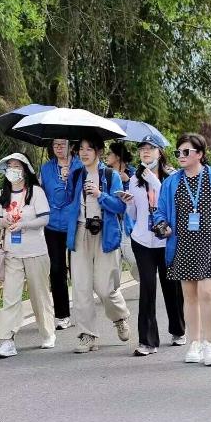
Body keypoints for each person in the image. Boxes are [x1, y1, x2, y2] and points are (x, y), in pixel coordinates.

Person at [153, 133, 211, 366]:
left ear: (200, 154)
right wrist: (162, 225)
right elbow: (160, 211)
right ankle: (194, 342)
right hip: (183, 243)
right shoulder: (171, 182)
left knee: (206, 292)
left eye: (186, 152)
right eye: (178, 152)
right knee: (190, 296)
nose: (181, 156)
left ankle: (209, 344)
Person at [63, 136, 132, 353]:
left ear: (99, 151)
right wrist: (66, 182)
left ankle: (119, 317)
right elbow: (66, 202)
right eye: (81, 149)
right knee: (81, 287)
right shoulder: (76, 175)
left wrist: (100, 194)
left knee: (105, 287)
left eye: (89, 149)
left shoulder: (111, 176)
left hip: (105, 233)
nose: (84, 153)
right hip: (80, 231)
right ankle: (87, 334)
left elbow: (120, 207)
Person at [126, 137, 186, 356]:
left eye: (150, 148)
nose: (145, 152)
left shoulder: (172, 176)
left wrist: (155, 182)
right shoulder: (135, 179)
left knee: (172, 286)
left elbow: (173, 205)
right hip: (142, 239)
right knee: (147, 288)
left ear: (159, 152)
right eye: (142, 149)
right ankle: (147, 341)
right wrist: (128, 203)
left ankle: (178, 330)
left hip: (166, 239)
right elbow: (134, 214)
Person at [0, 153, 56, 357]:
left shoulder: (36, 192)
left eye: (17, 166)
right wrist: (5, 222)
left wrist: (24, 224)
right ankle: (7, 340)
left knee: (39, 295)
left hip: (36, 251)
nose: (13, 170)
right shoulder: (2, 194)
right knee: (11, 297)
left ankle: (48, 333)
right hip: (12, 253)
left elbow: (44, 219)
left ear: (25, 170)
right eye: (9, 166)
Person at [39, 138, 82, 330]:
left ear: (71, 146)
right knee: (56, 270)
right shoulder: (46, 168)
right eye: (55, 144)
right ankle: (62, 314)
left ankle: (82, 311)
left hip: (75, 223)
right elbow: (41, 194)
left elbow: (81, 194)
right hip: (52, 225)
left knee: (79, 270)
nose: (58, 147)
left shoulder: (80, 166)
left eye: (62, 144)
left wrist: (69, 179)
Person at [107, 141, 137, 271]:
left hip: (127, 223)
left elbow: (139, 197)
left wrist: (128, 181)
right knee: (113, 266)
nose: (107, 156)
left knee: (134, 259)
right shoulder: (106, 174)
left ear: (118, 157)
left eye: (110, 153)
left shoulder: (133, 173)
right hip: (111, 222)